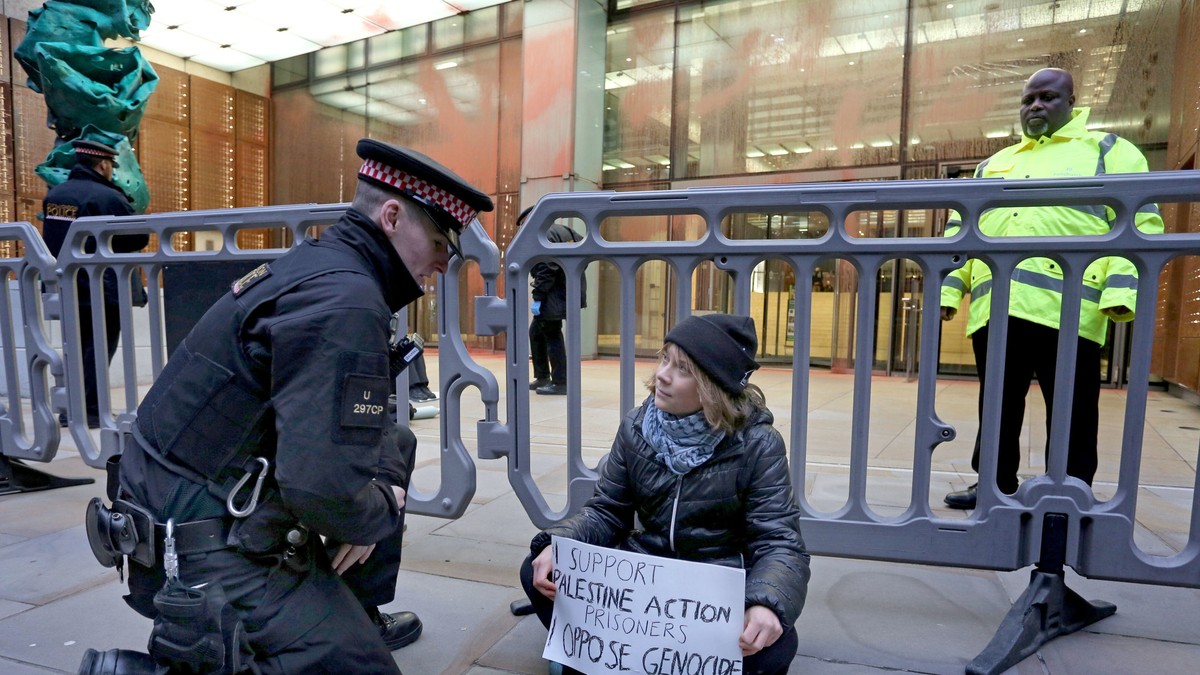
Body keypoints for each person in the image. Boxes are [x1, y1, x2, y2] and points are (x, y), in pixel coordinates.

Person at [80, 139, 493, 674]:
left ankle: (348, 614)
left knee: (396, 447)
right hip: (199, 538)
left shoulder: (324, 267)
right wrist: (378, 510)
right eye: (439, 240)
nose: (444, 260)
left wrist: (372, 498)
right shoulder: (346, 301)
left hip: (182, 498)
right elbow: (321, 489)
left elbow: (348, 438)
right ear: (392, 216)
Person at [519, 314, 810, 675]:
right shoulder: (636, 427)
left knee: (777, 644)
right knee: (541, 568)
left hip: (711, 595)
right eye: (664, 358)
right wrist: (559, 543)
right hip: (643, 586)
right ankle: (596, 647)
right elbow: (607, 511)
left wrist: (766, 604)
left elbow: (779, 543)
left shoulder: (757, 445)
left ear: (712, 386)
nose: (662, 374)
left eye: (682, 369)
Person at [940, 68, 1164, 509]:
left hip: (1070, 309)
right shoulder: (994, 164)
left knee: (1074, 409)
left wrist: (1119, 293)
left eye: (1047, 97)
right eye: (1028, 100)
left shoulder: (1109, 150)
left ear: (1072, 102)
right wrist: (951, 290)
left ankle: (1069, 489)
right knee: (998, 405)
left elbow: (1140, 223)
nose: (1035, 106)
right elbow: (961, 232)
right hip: (998, 307)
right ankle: (992, 485)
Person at [41, 139, 148, 428]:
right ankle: (90, 411)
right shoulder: (107, 196)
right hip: (102, 287)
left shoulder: (57, 195)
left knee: (75, 348)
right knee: (98, 349)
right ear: (103, 165)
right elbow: (139, 237)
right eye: (111, 166)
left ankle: (70, 410)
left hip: (66, 284)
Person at [523, 206, 586, 396]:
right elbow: (584, 249)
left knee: (551, 333)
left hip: (553, 294)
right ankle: (543, 376)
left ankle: (560, 382)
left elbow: (546, 268)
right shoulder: (565, 231)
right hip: (570, 290)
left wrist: (538, 297)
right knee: (536, 331)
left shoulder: (543, 234)